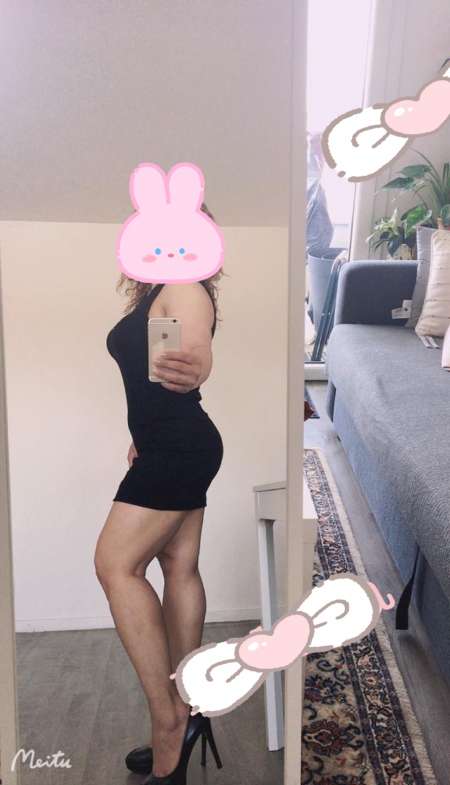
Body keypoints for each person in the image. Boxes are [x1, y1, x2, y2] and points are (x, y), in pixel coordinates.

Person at [94, 202, 224, 785]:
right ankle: (186, 711)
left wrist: (196, 367)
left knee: (115, 565)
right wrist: (141, 435)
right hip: (169, 442)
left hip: (179, 446)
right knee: (178, 567)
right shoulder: (156, 294)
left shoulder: (184, 287)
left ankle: (169, 721)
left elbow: (193, 359)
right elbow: (154, 377)